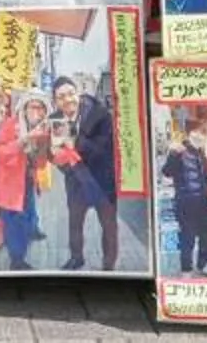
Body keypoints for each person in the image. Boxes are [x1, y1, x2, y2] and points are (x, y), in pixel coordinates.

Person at [55, 79, 120, 272]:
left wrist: (75, 139)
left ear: (78, 93)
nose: (67, 100)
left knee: (108, 224)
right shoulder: (55, 120)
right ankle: (76, 258)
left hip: (102, 179)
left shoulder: (101, 116)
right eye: (61, 97)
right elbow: (53, 154)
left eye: (70, 93)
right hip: (76, 181)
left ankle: (109, 265)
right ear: (55, 101)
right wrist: (63, 165)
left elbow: (103, 150)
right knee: (74, 223)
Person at [0, 93, 44, 267]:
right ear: (25, 108)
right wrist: (22, 141)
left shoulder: (42, 128)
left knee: (27, 211)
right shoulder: (12, 124)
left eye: (40, 107)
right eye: (32, 106)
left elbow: (41, 160)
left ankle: (30, 233)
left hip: (28, 179)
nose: (36, 111)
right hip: (11, 181)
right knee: (12, 219)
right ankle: (16, 260)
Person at [161, 117, 207, 275]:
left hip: (203, 203)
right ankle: (186, 270)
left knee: (206, 236)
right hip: (186, 203)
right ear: (189, 133)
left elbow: (205, 182)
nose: (199, 135)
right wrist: (173, 154)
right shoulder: (179, 150)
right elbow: (167, 172)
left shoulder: (202, 154)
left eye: (202, 133)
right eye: (196, 132)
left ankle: (203, 265)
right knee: (187, 237)